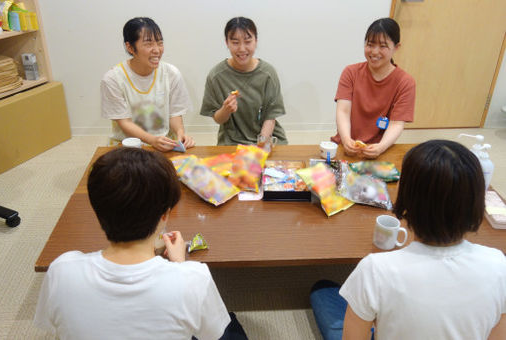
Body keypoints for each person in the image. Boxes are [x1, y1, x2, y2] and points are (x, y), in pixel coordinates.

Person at [34, 148, 240, 339]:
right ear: (165, 215)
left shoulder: (61, 270)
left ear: (97, 211)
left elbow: (52, 326)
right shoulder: (194, 278)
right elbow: (213, 334)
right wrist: (180, 265)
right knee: (231, 327)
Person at [310, 140, 506, 340]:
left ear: (407, 198)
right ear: (475, 201)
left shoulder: (375, 269)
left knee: (322, 292)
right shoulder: (499, 265)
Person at [101, 17, 195, 152]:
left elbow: (174, 113)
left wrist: (181, 133)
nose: (157, 50)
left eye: (160, 43)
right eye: (148, 44)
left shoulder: (171, 73)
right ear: (130, 47)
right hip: (127, 144)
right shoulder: (113, 79)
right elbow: (124, 122)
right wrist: (151, 140)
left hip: (164, 142)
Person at [331, 18, 415, 159]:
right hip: (346, 145)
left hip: (380, 149)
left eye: (383, 46)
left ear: (396, 47)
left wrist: (381, 147)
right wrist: (346, 140)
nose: (375, 52)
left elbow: (396, 124)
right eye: (370, 44)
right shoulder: (350, 72)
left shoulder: (405, 82)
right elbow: (343, 111)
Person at [200, 17, 288, 146]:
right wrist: (226, 110)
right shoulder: (216, 76)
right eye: (235, 42)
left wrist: (260, 146)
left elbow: (270, 117)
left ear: (256, 41)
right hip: (232, 143)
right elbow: (217, 118)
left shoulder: (268, 73)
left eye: (247, 41)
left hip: (267, 140)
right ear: (227, 42)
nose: (242, 49)